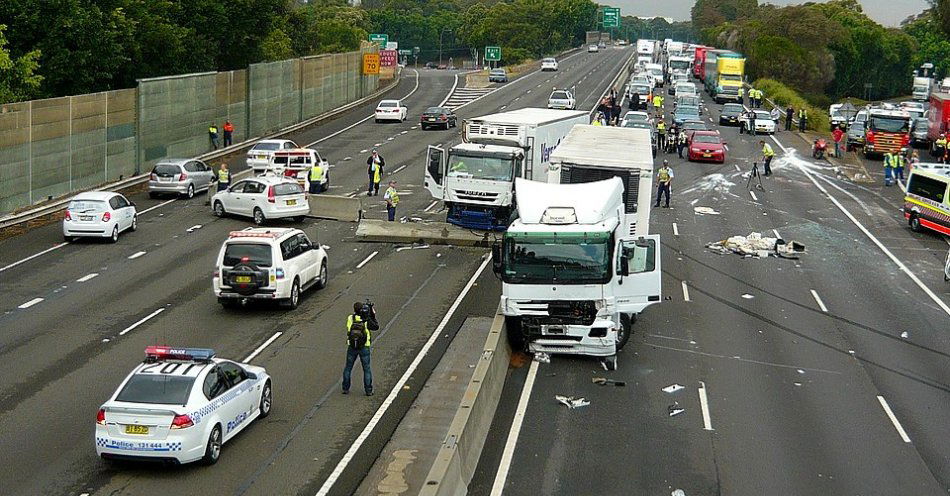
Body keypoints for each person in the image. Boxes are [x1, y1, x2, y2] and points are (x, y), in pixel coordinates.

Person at [342, 301, 379, 396]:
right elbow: (375, 327)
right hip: (364, 346)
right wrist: (372, 315)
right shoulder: (366, 319)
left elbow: (348, 329)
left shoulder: (350, 318)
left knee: (348, 367)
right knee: (366, 369)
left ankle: (345, 388)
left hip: (352, 345)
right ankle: (368, 390)